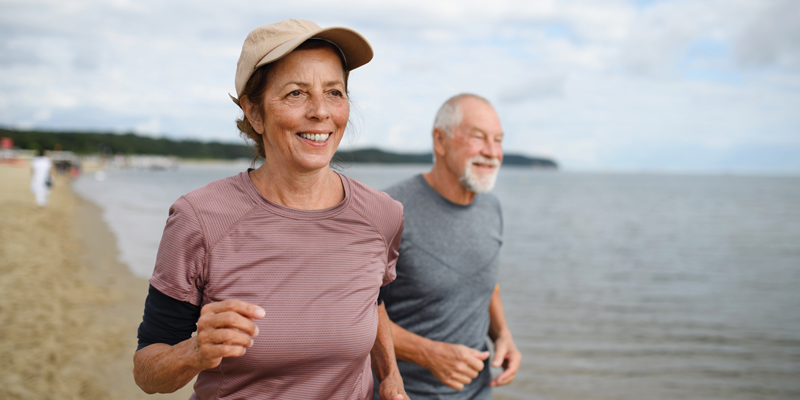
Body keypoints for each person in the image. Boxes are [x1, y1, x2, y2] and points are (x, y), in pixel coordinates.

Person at [133, 19, 408, 400]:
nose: (320, 112)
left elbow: (371, 301)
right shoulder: (199, 218)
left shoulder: (383, 215)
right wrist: (194, 352)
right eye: (296, 93)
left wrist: (390, 377)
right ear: (255, 113)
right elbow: (147, 372)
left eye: (334, 92)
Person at [377, 94, 522, 399]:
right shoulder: (389, 211)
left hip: (478, 392)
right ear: (440, 141)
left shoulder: (491, 207)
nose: (492, 152)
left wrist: (503, 335)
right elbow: (353, 314)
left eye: (498, 140)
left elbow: (484, 280)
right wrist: (427, 353)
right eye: (478, 138)